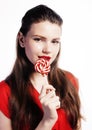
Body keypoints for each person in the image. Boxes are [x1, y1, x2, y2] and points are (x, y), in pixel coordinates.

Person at [0, 4, 82, 130]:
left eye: (54, 41)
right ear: (22, 40)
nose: (48, 50)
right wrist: (47, 121)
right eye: (38, 39)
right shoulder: (4, 93)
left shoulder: (70, 81)